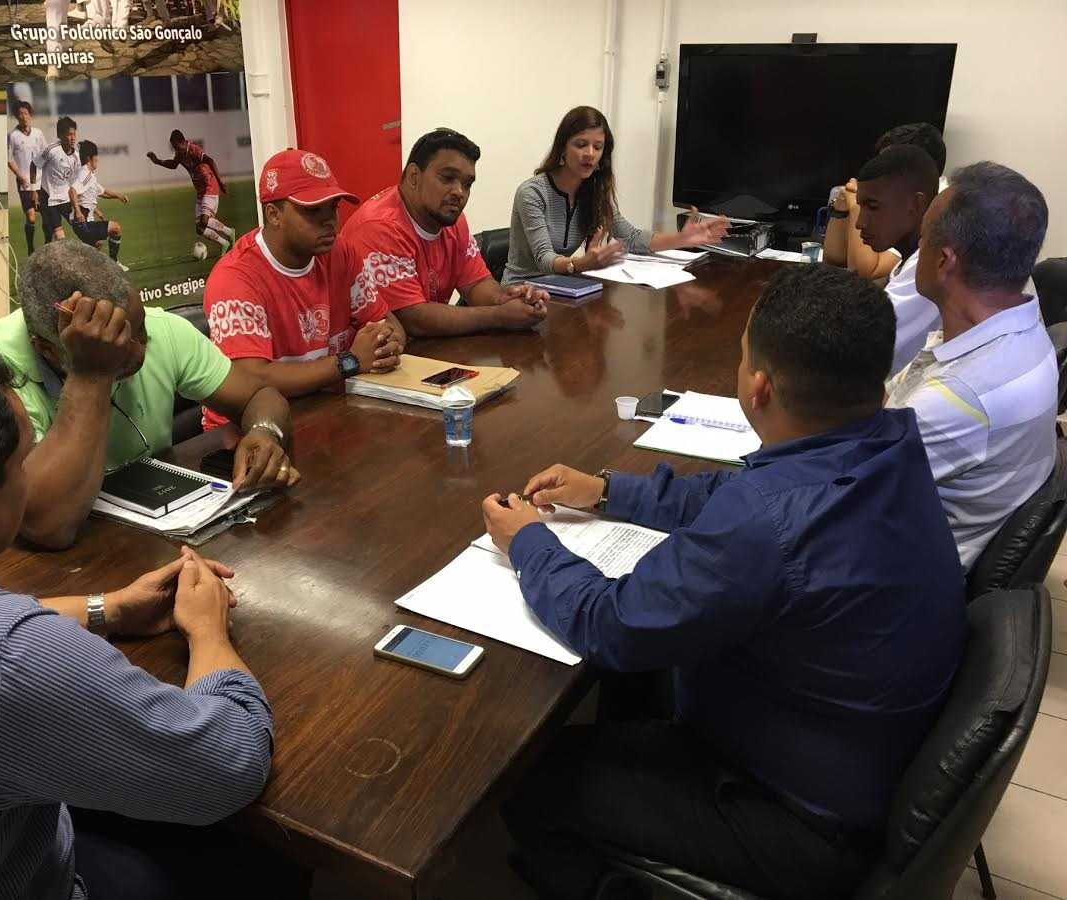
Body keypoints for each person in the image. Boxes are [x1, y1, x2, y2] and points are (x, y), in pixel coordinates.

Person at [481, 264, 965, 900]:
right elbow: (732, 493)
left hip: (796, 820)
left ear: (759, 387)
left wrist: (528, 543)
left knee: (530, 775)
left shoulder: (770, 521)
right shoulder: (887, 441)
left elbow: (613, 624)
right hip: (858, 758)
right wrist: (607, 491)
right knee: (627, 695)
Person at [0, 316, 276, 899]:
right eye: (24, 463)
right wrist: (209, 632)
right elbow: (228, 765)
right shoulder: (12, 659)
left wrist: (106, 609)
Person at [0, 241, 298, 549]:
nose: (140, 351)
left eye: (140, 330)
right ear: (47, 349)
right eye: (116, 343)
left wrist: (264, 432)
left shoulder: (162, 328)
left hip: (156, 537)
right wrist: (92, 372)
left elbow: (260, 396)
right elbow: (45, 524)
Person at [888, 161, 1056, 570]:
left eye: (923, 239)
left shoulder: (959, 397)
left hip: (901, 573)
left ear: (944, 261)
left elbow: (838, 493)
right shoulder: (1026, 329)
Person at [202, 149, 405, 413]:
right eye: (313, 211)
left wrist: (386, 345)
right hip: (252, 425)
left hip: (326, 407)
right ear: (274, 214)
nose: (330, 222)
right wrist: (350, 360)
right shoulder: (235, 278)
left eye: (333, 208)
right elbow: (252, 379)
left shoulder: (341, 252)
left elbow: (388, 324)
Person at [339, 127, 551, 338]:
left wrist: (506, 298)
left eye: (467, 184)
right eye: (448, 178)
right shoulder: (380, 227)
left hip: (425, 347)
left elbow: (476, 284)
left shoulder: (452, 220)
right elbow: (413, 319)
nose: (459, 192)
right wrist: (499, 316)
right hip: (370, 353)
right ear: (414, 177)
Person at [503, 106, 729, 282]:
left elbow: (631, 238)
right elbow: (544, 259)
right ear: (562, 147)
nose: (590, 154)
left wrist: (681, 239)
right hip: (521, 290)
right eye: (581, 144)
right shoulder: (532, 193)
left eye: (598, 147)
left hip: (563, 288)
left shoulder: (595, 192)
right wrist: (581, 264)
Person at [846, 145, 942, 376]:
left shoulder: (926, 268)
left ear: (916, 205)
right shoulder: (910, 258)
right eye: (860, 206)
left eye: (873, 207)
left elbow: (857, 344)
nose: (860, 223)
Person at [823, 122, 948, 281]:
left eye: (889, 162)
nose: (878, 169)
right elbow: (833, 260)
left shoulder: (936, 217)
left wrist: (855, 205)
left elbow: (864, 272)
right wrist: (840, 210)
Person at [147, 129, 236, 254]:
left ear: (183, 142)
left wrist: (220, 182)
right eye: (173, 147)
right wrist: (157, 161)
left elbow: (210, 161)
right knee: (200, 229)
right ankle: (224, 242)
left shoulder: (194, 149)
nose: (175, 150)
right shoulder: (180, 153)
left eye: (176, 146)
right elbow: (173, 165)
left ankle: (230, 232)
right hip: (200, 191)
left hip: (210, 186)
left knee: (204, 221)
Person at [70, 139, 129, 269]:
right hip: (83, 223)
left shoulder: (90, 175)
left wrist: (118, 196)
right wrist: (78, 212)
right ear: (89, 158)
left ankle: (80, 269)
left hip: (83, 223)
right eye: (96, 157)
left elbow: (102, 192)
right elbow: (72, 191)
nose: (98, 160)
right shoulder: (85, 174)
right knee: (116, 228)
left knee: (96, 247)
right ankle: (114, 263)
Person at [7, 100, 48, 258]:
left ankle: (48, 246)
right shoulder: (13, 136)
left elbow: (46, 154)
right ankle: (31, 248)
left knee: (46, 215)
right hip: (24, 182)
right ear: (16, 116)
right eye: (20, 114)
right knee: (31, 217)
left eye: (26, 113)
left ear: (30, 115)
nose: (23, 116)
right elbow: (9, 159)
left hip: (41, 181)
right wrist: (19, 175)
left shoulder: (38, 133)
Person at [36, 115, 82, 244]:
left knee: (82, 228)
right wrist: (34, 190)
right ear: (60, 135)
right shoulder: (51, 150)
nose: (73, 138)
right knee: (59, 236)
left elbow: (76, 181)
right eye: (69, 134)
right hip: (50, 199)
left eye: (74, 134)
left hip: (66, 198)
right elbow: (34, 165)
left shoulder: (76, 155)